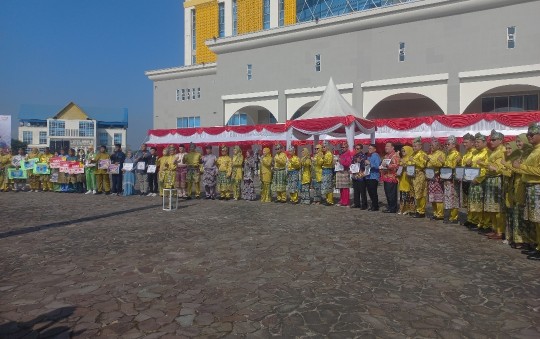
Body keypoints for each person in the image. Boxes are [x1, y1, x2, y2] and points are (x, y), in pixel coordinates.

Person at [512, 122, 540, 259]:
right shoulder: (533, 151)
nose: (529, 137)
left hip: (537, 187)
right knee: (535, 219)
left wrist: (522, 167)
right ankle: (537, 245)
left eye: (532, 134)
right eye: (528, 134)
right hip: (530, 187)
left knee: (538, 219)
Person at [482, 130, 506, 239]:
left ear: (500, 140)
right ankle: (494, 228)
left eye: (493, 140)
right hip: (491, 179)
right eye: (490, 140)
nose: (491, 142)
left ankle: (500, 231)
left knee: (497, 207)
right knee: (491, 207)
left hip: (497, 180)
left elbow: (499, 168)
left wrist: (486, 165)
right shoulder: (494, 151)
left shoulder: (502, 151)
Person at [468, 133, 490, 233]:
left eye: (478, 142)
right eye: (475, 142)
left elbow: (487, 169)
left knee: (481, 203)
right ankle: (477, 221)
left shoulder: (487, 153)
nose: (476, 144)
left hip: (481, 181)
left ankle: (485, 224)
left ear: (485, 142)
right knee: (475, 203)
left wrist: (479, 178)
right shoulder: (475, 153)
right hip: (473, 180)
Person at [442, 136, 461, 224]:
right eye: (446, 144)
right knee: (448, 197)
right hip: (447, 179)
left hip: (453, 179)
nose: (446, 146)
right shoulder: (449, 154)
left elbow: (454, 166)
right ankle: (448, 215)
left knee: (454, 197)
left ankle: (454, 217)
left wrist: (444, 162)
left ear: (453, 145)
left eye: (448, 144)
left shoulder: (457, 154)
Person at [460, 133, 478, 228]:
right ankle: (470, 218)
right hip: (465, 179)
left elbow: (476, 166)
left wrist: (471, 164)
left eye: (466, 142)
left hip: (473, 180)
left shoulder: (475, 152)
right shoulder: (467, 153)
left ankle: (475, 220)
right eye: (463, 142)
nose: (464, 144)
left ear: (472, 142)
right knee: (467, 201)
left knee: (473, 200)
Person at [426, 138, 446, 220]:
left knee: (438, 196)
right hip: (430, 177)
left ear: (438, 146)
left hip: (437, 177)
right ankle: (435, 213)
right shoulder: (429, 154)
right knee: (432, 197)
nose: (431, 147)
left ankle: (440, 214)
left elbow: (440, 164)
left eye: (433, 145)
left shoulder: (441, 154)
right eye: (430, 145)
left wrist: (430, 160)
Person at [408, 137, 428, 218]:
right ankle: (417, 209)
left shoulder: (423, 154)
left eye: (415, 146)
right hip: (413, 176)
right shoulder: (413, 154)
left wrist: (414, 161)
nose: (414, 148)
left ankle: (421, 211)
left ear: (420, 146)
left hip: (420, 176)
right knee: (415, 194)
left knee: (420, 193)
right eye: (413, 146)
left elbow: (423, 165)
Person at [380, 142, 400, 213]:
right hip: (386, 176)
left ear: (392, 148)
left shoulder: (395, 156)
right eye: (385, 146)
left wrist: (388, 166)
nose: (386, 147)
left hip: (392, 177)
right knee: (388, 193)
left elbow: (397, 165)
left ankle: (393, 208)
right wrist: (381, 167)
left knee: (391, 193)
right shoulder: (386, 156)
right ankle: (390, 207)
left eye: (388, 146)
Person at [398, 145, 415, 215]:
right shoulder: (402, 158)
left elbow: (411, 167)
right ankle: (402, 209)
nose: (403, 152)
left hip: (408, 178)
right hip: (402, 178)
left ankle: (410, 209)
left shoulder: (410, 158)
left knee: (408, 194)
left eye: (404, 151)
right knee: (402, 194)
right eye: (402, 151)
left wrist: (404, 162)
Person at [335, 142, 352, 207]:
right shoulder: (341, 154)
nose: (342, 148)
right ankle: (342, 200)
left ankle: (346, 201)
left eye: (344, 147)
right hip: (340, 171)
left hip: (345, 172)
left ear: (347, 147)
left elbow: (348, 163)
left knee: (345, 187)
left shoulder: (348, 154)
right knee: (341, 187)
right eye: (341, 147)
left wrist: (340, 161)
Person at [351, 144, 368, 209]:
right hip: (355, 175)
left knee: (362, 191)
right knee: (356, 190)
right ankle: (356, 203)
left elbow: (365, 165)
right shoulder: (354, 156)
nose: (356, 150)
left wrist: (361, 161)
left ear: (361, 149)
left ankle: (364, 204)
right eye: (356, 148)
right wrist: (351, 169)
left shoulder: (363, 156)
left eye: (358, 149)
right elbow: (352, 164)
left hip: (361, 175)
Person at [365, 144, 381, 211]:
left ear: (375, 149)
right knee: (370, 192)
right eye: (369, 148)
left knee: (373, 192)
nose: (369, 149)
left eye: (371, 148)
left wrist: (370, 163)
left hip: (374, 176)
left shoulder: (376, 156)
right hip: (368, 176)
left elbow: (377, 166)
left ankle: (375, 206)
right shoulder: (369, 156)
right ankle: (373, 204)